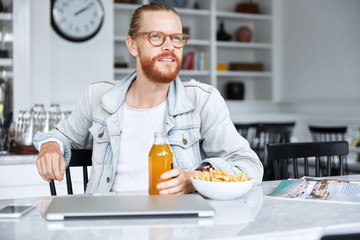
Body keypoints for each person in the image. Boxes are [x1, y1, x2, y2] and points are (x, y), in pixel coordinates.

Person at [33, 2, 263, 195]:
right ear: (132, 45)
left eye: (176, 38)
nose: (169, 47)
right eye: (156, 37)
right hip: (105, 226)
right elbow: (60, 136)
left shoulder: (203, 101)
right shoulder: (98, 97)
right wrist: (51, 146)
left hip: (177, 227)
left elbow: (250, 167)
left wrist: (195, 178)